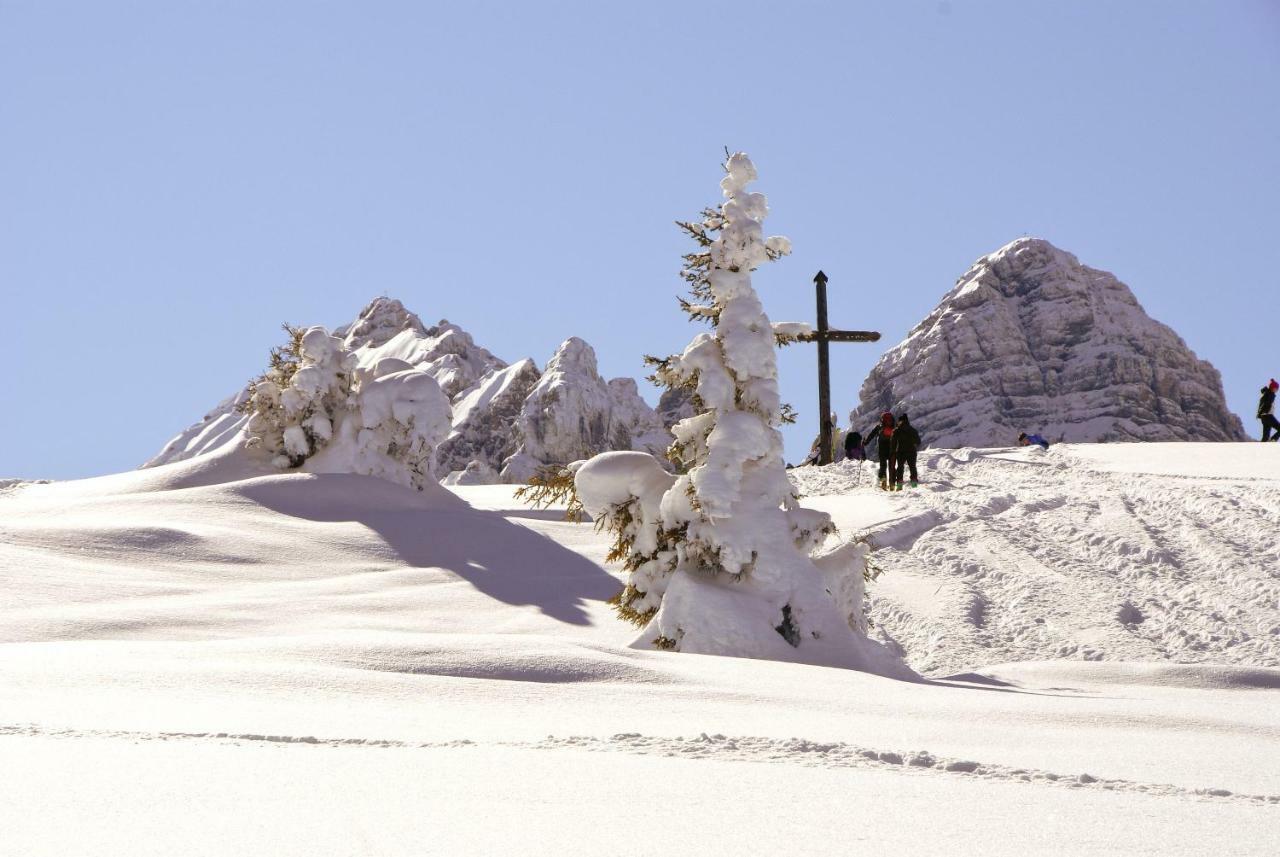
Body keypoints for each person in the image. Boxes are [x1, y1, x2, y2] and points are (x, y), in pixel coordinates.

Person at [891, 413, 921, 490]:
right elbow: (918, 442)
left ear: (899, 421)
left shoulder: (896, 430)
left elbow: (893, 442)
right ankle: (914, 485)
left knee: (900, 468)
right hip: (912, 451)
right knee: (912, 467)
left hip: (900, 452)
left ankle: (899, 486)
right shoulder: (913, 430)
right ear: (907, 421)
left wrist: (893, 451)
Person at [870, 411, 895, 490]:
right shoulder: (893, 427)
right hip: (891, 448)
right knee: (892, 467)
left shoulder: (879, 427)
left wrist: (865, 442)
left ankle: (883, 483)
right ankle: (892, 484)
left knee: (883, 466)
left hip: (882, 449)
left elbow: (871, 435)